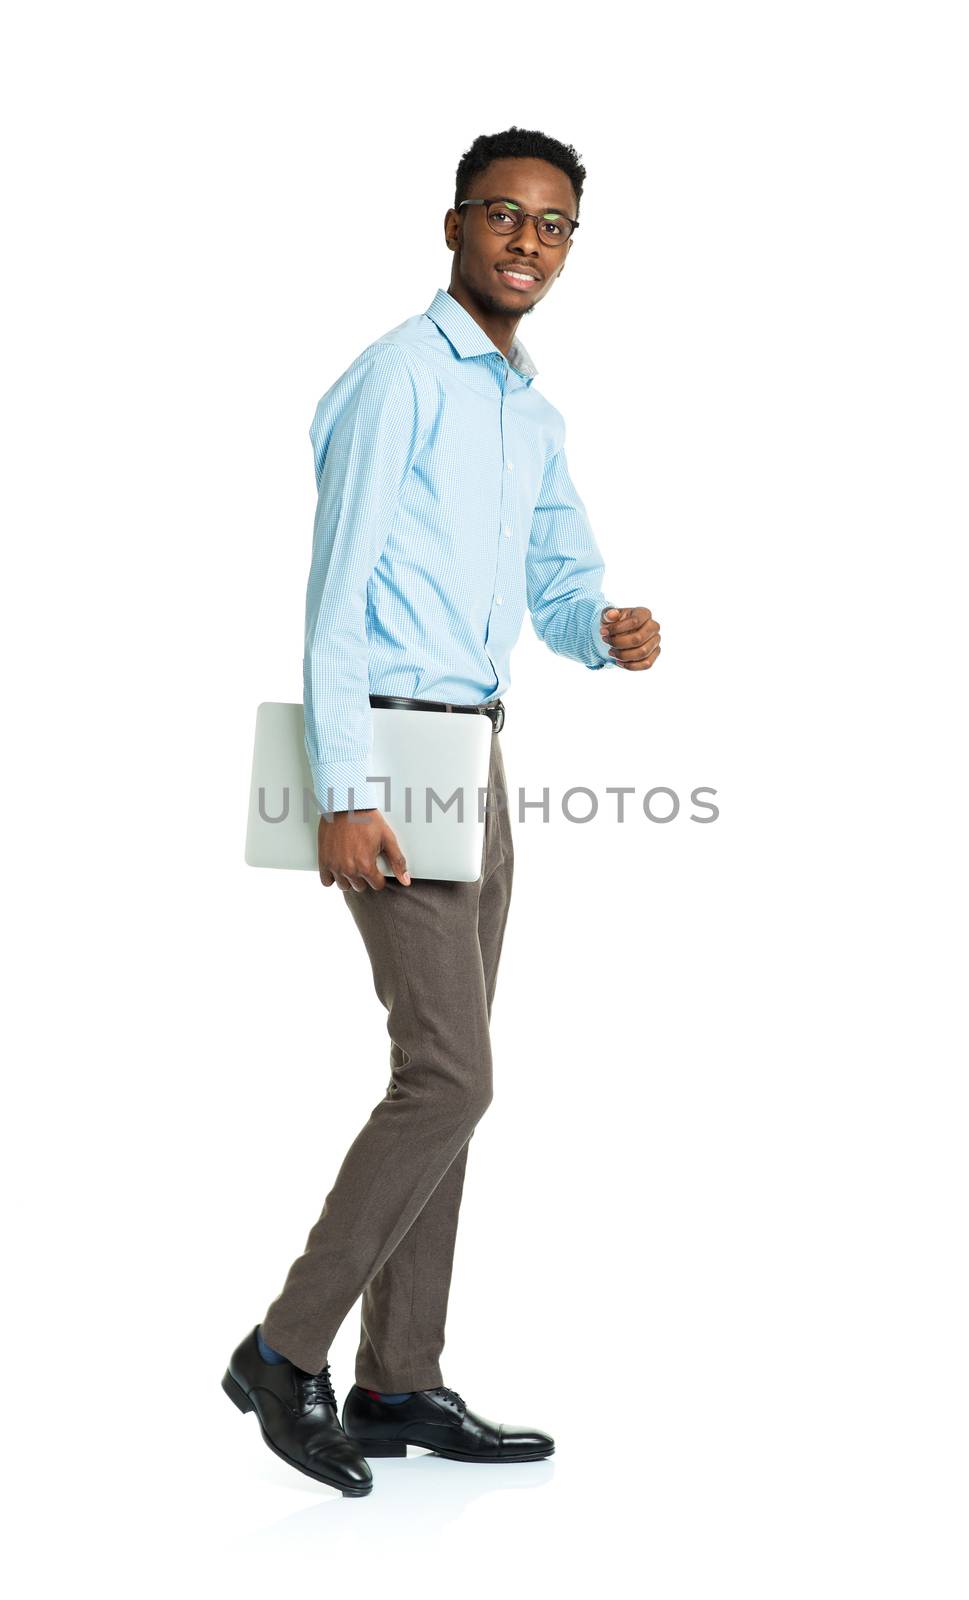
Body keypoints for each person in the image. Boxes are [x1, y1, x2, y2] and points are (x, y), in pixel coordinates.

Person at [223, 125, 662, 1497]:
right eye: (502, 216)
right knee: (452, 1073)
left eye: (552, 225)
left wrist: (598, 624)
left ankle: (398, 1379)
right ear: (452, 226)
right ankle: (283, 1354)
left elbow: (552, 575)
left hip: (473, 748)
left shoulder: (529, 412)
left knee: (447, 1083)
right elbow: (335, 592)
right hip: (389, 754)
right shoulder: (394, 379)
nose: (526, 243)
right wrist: (344, 792)